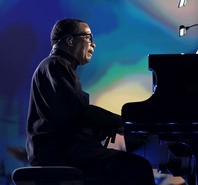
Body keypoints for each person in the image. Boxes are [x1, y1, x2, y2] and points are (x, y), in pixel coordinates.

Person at [26, 18, 156, 185]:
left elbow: (70, 115)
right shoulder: (55, 64)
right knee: (137, 167)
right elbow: (76, 112)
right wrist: (120, 122)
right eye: (88, 37)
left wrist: (108, 126)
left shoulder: (59, 66)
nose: (93, 45)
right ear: (70, 40)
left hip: (62, 149)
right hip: (60, 151)